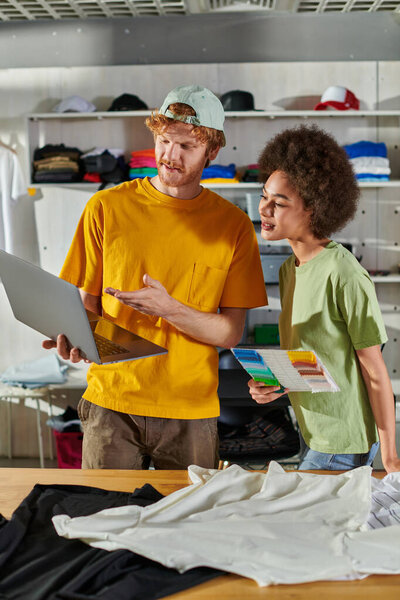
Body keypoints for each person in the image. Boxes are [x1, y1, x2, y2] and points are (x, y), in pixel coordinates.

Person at [43, 84, 268, 470]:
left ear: (212, 151)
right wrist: (77, 340)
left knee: (184, 526)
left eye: (186, 147)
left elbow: (229, 333)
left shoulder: (232, 227)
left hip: (191, 410)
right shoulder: (106, 207)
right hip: (111, 404)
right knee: (102, 521)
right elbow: (87, 305)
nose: (170, 155)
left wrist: (170, 309)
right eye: (164, 141)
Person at [248, 124, 400, 473]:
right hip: (313, 431)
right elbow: (321, 359)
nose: (265, 209)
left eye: (280, 202)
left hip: (343, 441)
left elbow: (374, 370)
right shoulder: (291, 269)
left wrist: (391, 457)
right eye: (264, 196)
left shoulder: (344, 273)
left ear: (313, 209)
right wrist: (275, 384)